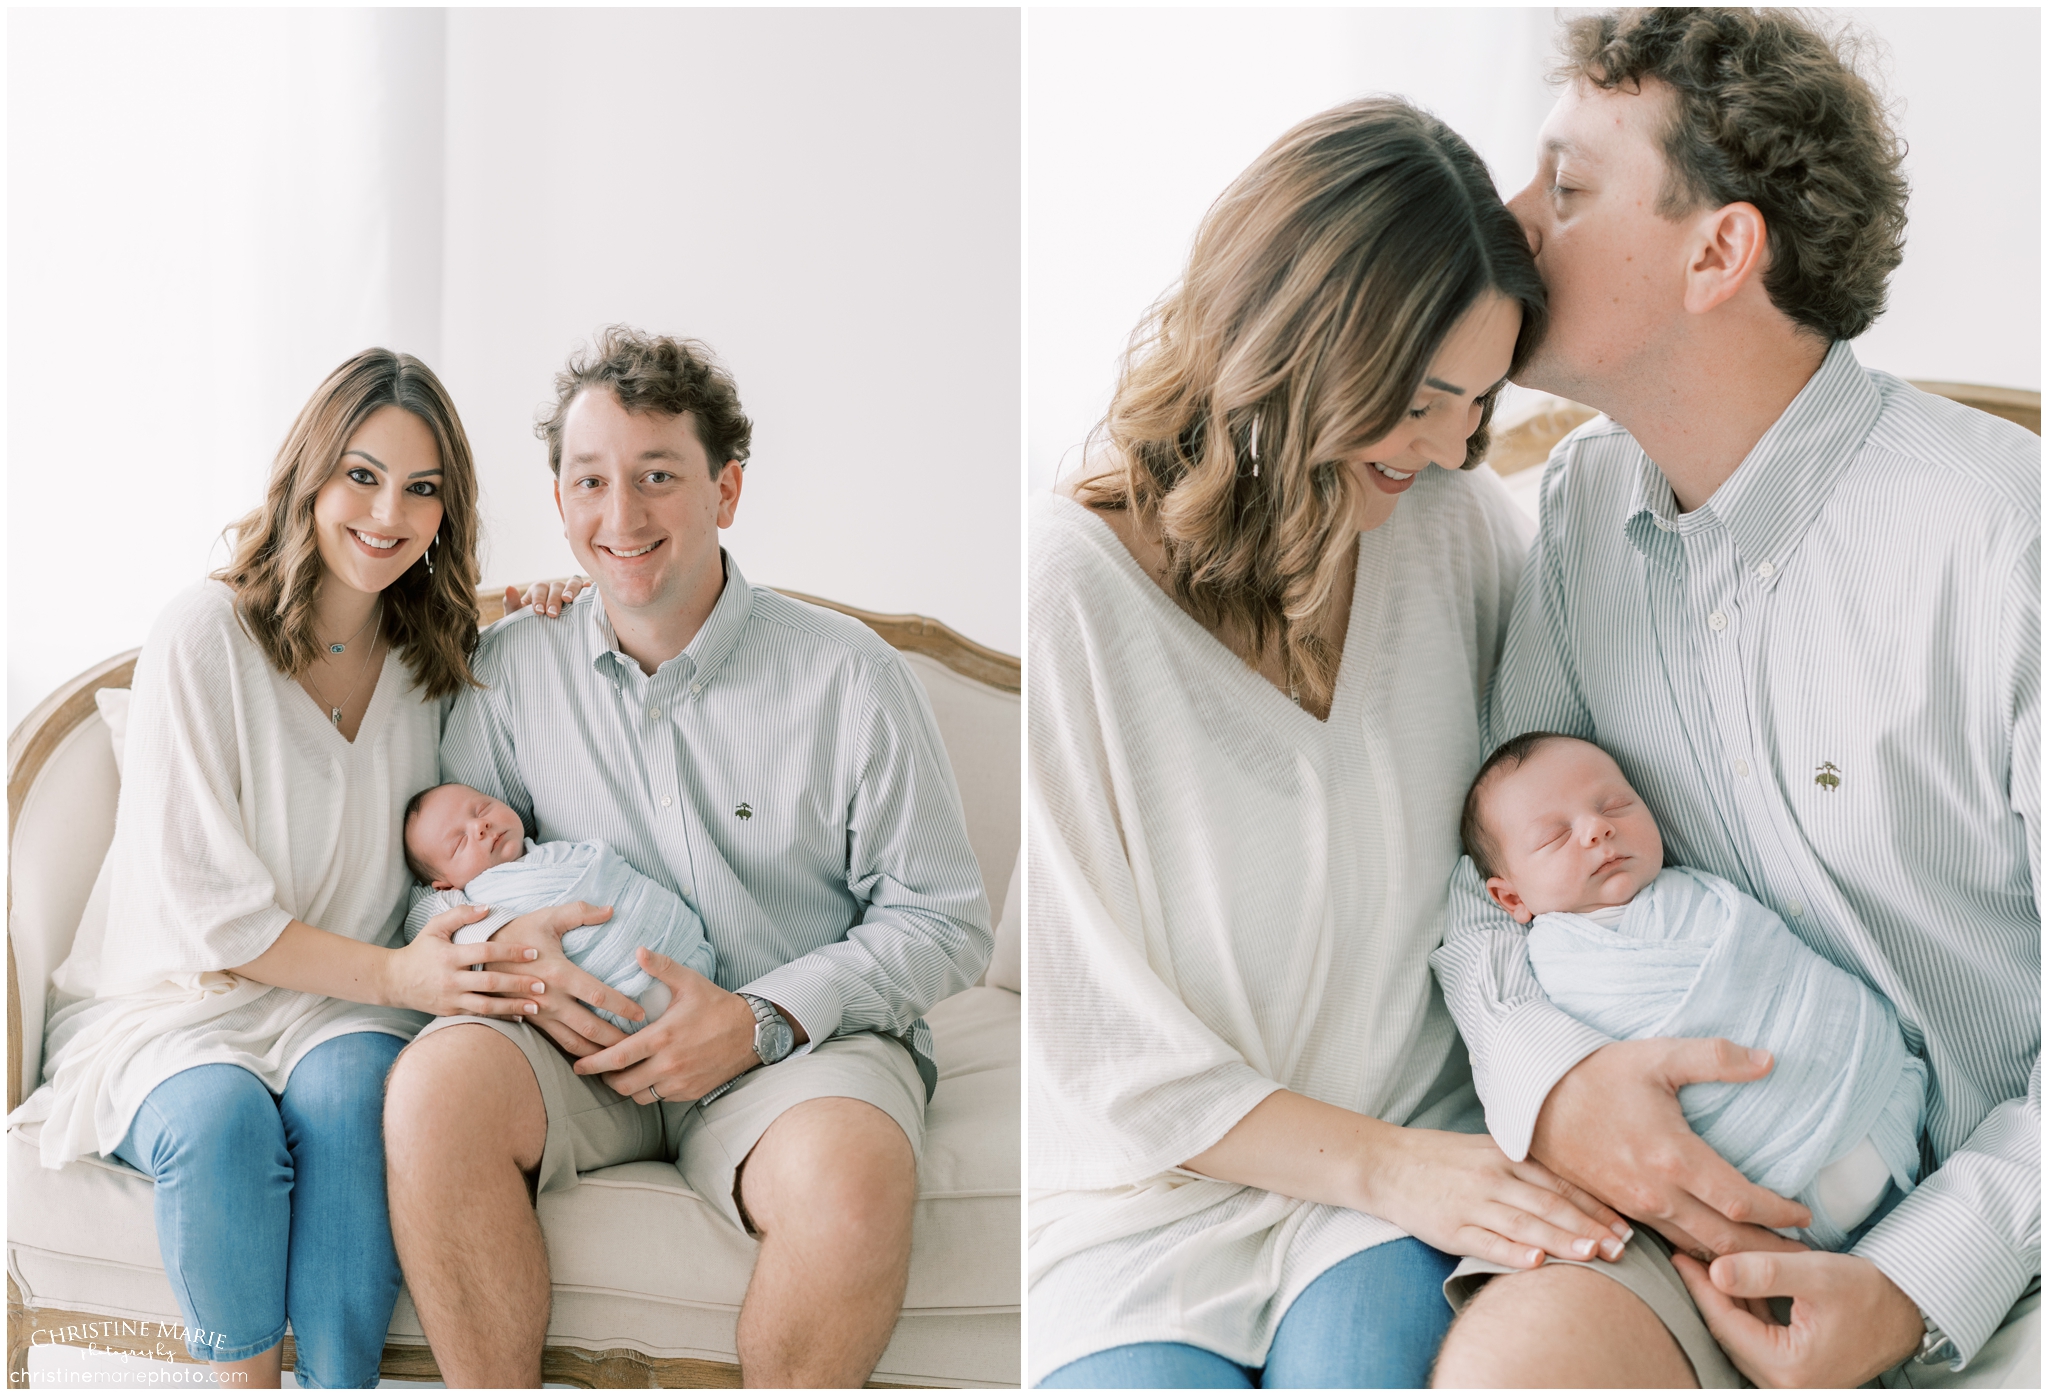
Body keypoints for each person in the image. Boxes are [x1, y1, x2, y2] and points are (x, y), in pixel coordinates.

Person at [1427, 9, 2038, 1388]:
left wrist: (1917, 1276)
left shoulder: (2010, 543)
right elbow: (1486, 885)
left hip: (1998, 1219)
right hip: (1685, 1206)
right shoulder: (1580, 505)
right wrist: (1559, 1088)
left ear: (1721, 251)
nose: (1507, 221)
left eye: (1567, 188)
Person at [1027, 97, 1639, 1389]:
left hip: (1404, 1180)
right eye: (1420, 401)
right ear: (1296, 349)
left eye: (1477, 404)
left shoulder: (1453, 529)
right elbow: (1100, 1046)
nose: (1457, 445)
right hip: (1144, 1203)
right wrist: (1390, 1166)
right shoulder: (1074, 589)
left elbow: (1545, 832)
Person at [379, 326, 992, 1388]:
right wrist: (496, 945)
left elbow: (942, 917)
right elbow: (444, 876)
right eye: (590, 481)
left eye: (657, 477)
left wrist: (759, 1019)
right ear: (562, 500)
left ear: (727, 490)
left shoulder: (848, 678)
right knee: (432, 1092)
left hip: (795, 1055)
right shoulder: (510, 671)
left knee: (849, 1181)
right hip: (576, 1047)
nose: (620, 517)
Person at [7, 350, 567, 1388]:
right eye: (361, 474)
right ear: (309, 474)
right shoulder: (203, 636)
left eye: (421, 488)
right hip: (179, 1002)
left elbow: (462, 632)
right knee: (220, 1122)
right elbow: (214, 924)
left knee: (357, 1103)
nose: (387, 512)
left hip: (337, 1009)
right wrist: (404, 977)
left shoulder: (429, 652)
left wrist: (529, 611)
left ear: (447, 510)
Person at [1462, 731, 1926, 1251]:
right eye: (1553, 838)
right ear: (1510, 896)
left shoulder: (1698, 892)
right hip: (1769, 1185)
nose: (1597, 828)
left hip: (1883, 1089)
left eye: (1616, 804)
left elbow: (1782, 967)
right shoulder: (1551, 964)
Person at [401, 781, 719, 1032]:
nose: (479, 827)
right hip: (624, 992)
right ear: (444, 884)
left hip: (682, 946)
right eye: (459, 843)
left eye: (483, 808)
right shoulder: (467, 897)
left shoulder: (563, 850)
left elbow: (611, 873)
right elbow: (422, 926)